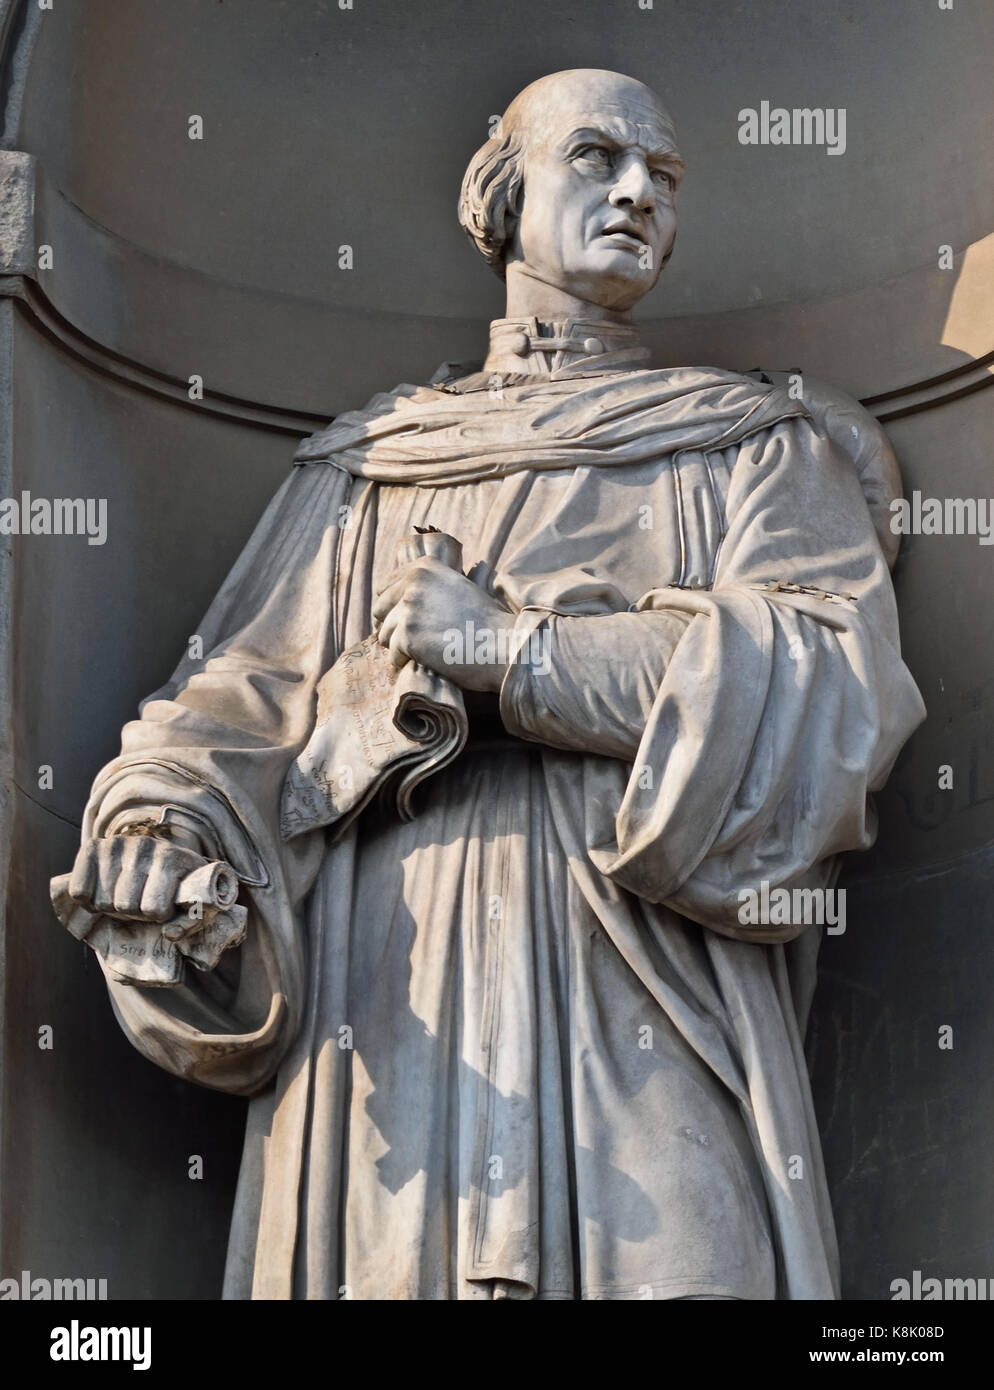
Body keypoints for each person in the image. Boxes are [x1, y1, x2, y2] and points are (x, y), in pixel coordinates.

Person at [56, 69, 926, 1300]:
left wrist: (518, 656)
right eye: (597, 158)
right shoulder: (373, 464)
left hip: (647, 979)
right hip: (395, 998)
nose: (637, 193)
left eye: (663, 178)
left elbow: (832, 689)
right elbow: (234, 702)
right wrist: (159, 825)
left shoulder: (751, 448)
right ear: (504, 191)